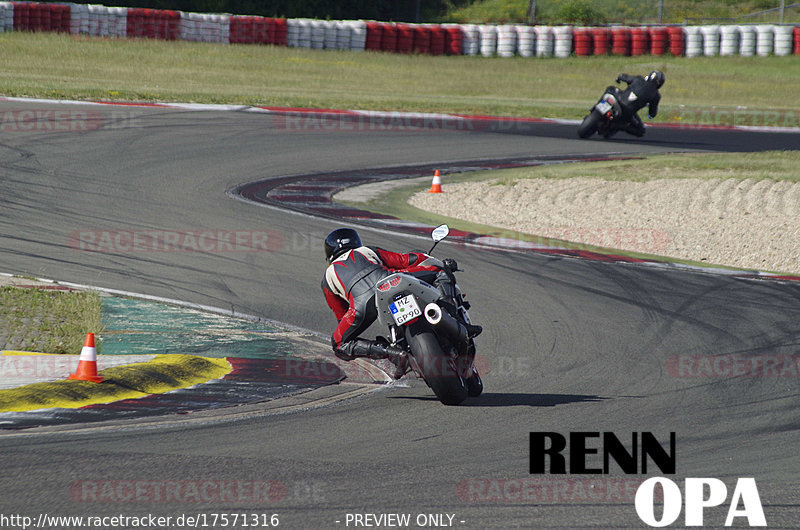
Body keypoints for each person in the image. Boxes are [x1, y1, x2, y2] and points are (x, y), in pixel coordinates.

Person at [321, 227, 481, 364]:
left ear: (329, 255)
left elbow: (341, 317)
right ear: (356, 242)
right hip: (391, 280)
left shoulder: (327, 278)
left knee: (339, 343)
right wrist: (440, 263)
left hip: (362, 305)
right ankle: (459, 322)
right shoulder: (364, 251)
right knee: (440, 271)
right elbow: (404, 260)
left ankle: (392, 353)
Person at [607, 70, 665, 137]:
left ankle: (595, 109)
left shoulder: (639, 79)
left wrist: (619, 78)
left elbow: (624, 77)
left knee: (610, 89)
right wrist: (650, 114)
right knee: (641, 131)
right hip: (629, 112)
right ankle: (618, 126)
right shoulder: (656, 95)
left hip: (620, 101)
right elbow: (652, 113)